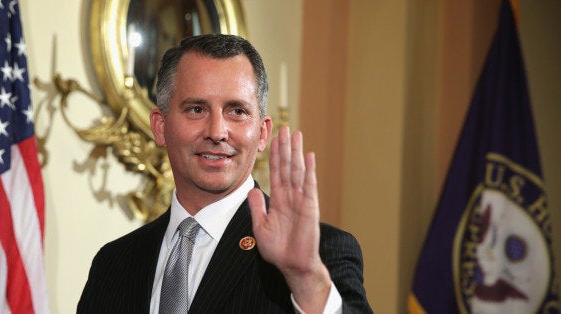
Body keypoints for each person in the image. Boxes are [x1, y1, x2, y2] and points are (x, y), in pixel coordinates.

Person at [77, 34, 372, 313]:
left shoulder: (320, 255)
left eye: (237, 111)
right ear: (160, 126)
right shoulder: (113, 264)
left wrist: (308, 280)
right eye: (196, 109)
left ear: (262, 133)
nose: (217, 132)